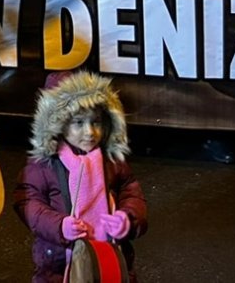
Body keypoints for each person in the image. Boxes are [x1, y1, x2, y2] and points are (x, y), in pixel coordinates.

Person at [14, 72, 148, 283]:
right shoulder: (44, 164)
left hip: (109, 260)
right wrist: (59, 225)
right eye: (78, 123)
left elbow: (130, 190)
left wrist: (128, 218)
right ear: (58, 124)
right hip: (59, 264)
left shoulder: (110, 158)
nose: (89, 132)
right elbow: (28, 202)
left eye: (96, 122)